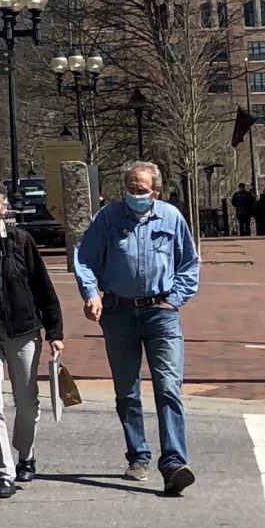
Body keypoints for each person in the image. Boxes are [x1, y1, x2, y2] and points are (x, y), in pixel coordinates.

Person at [72, 161, 202, 497]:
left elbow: (189, 262)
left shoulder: (171, 218)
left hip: (161, 313)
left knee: (168, 388)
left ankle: (174, 463)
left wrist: (175, 299)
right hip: (118, 312)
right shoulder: (108, 218)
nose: (135, 195)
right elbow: (84, 258)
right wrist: (91, 293)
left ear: (155, 191)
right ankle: (138, 455)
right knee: (126, 390)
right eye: (130, 188)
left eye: (141, 190)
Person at [0, 177, 64, 499]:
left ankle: (25, 453)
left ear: (3, 206)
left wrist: (55, 332)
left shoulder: (21, 242)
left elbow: (43, 289)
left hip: (23, 332)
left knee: (27, 404)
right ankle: (3, 473)